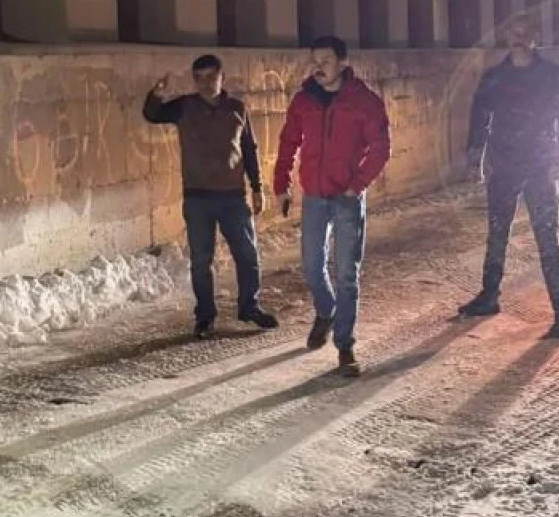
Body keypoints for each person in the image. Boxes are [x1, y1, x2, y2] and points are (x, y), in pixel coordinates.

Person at [458, 15, 559, 339]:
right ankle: (489, 295)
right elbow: (480, 118)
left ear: (535, 37)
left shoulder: (551, 76)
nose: (517, 39)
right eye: (513, 33)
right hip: (504, 164)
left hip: (539, 166)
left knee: (547, 237)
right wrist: (475, 160)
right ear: (506, 37)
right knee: (497, 232)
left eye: (524, 33)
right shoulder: (495, 78)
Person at [273, 36, 391, 377]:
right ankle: (326, 311)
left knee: (346, 274)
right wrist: (281, 183)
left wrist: (357, 185)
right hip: (315, 196)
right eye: (315, 60)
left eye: (325, 60)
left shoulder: (363, 101)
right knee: (312, 267)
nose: (318, 67)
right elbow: (288, 142)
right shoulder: (304, 100)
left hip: (347, 198)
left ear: (342, 62)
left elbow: (381, 147)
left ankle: (345, 345)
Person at [143, 55, 278, 339]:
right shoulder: (184, 107)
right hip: (198, 198)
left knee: (247, 254)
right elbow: (152, 115)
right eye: (199, 78)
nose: (205, 83)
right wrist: (157, 93)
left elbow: (249, 149)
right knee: (201, 260)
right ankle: (205, 316)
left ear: (221, 77)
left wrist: (257, 187)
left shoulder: (237, 108)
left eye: (210, 76)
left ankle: (249, 307)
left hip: (233, 196)